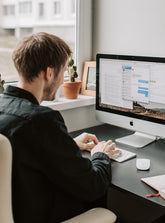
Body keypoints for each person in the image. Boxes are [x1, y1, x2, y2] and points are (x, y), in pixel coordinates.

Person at [0, 32, 120, 223]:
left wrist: (68, 144)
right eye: (63, 73)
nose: (63, 80)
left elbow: (16, 150)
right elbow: (92, 186)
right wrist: (100, 154)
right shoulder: (41, 120)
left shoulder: (4, 108)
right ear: (49, 73)